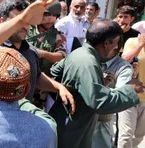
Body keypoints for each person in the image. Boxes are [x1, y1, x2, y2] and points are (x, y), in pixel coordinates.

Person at [49, 19, 143, 148]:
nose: (116, 48)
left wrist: (90, 83)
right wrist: (130, 90)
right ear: (106, 43)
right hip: (73, 125)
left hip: (64, 118)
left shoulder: (78, 53)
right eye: (115, 43)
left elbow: (55, 71)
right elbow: (100, 103)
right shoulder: (89, 63)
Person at [0, 0, 75, 106]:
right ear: (3, 21)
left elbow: (36, 77)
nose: (24, 25)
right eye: (19, 21)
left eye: (28, 21)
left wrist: (59, 87)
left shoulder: (30, 50)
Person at [91, 53, 134, 148]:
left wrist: (103, 87)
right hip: (84, 119)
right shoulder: (87, 59)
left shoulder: (123, 67)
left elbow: (119, 96)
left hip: (102, 121)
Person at [119, 30, 145, 147]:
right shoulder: (133, 41)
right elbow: (124, 60)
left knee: (139, 136)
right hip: (130, 96)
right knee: (126, 135)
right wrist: (140, 45)